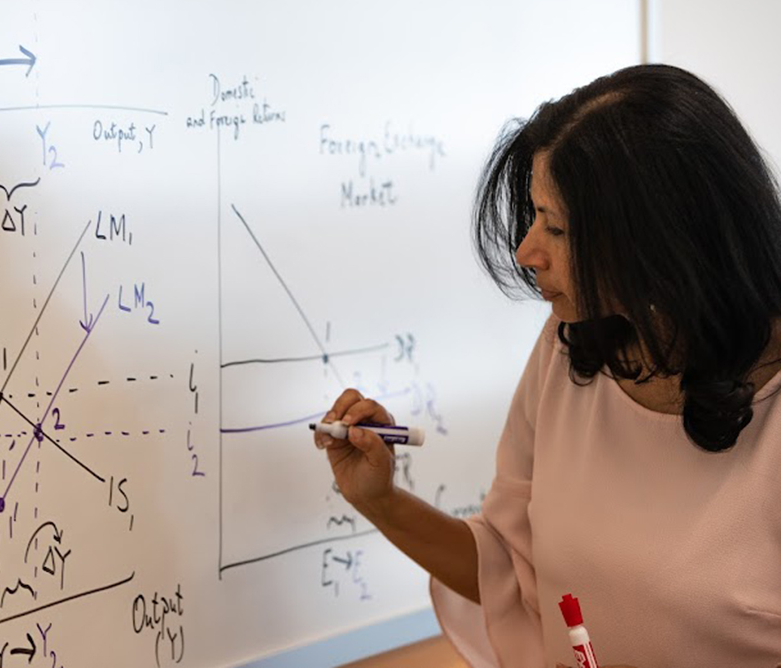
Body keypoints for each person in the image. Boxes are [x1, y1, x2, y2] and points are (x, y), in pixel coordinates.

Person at [313, 64, 781, 668]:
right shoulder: (570, 348)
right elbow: (510, 566)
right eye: (534, 216)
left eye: (556, 228)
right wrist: (380, 500)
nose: (526, 251)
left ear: (662, 239)